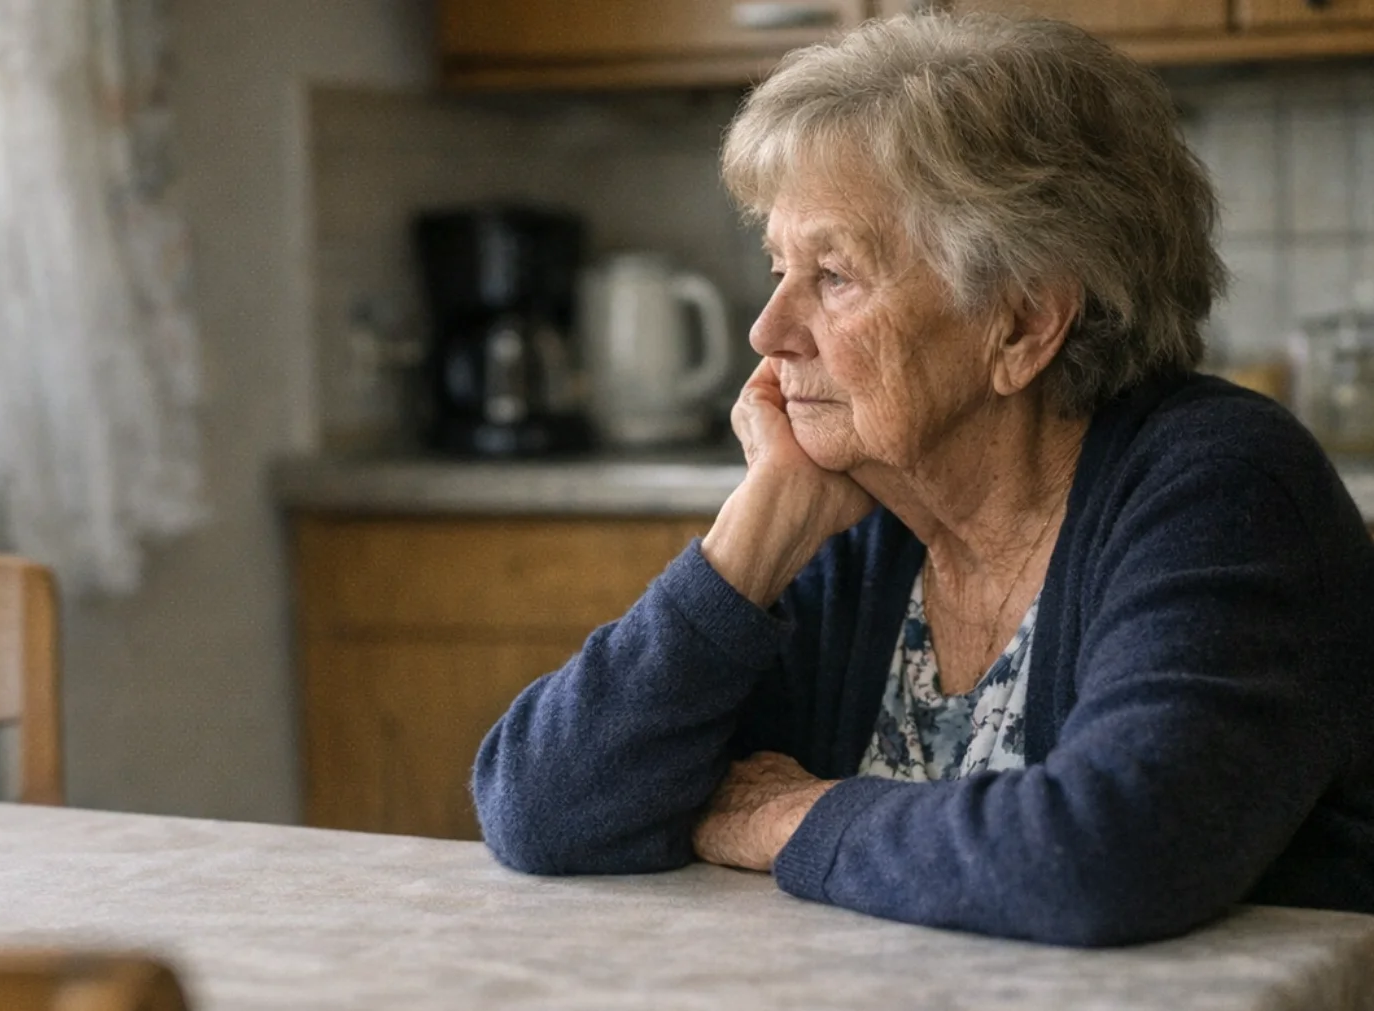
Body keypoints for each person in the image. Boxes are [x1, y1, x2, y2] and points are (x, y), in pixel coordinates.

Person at [470, 11, 1374, 948]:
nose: (767, 331)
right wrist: (750, 540)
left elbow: (1103, 856)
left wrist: (789, 817)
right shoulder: (872, 523)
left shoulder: (1223, 492)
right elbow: (547, 809)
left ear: (1023, 325)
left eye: (834, 276)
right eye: (779, 267)